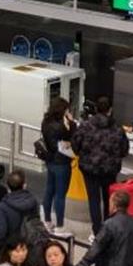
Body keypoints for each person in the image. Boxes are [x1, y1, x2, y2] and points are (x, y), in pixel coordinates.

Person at [70, 96, 129, 237]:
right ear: (110, 110)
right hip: (110, 170)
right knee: (110, 198)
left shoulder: (85, 126)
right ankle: (109, 228)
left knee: (94, 199)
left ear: (96, 109)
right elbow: (124, 150)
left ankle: (97, 231)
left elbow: (75, 145)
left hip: (89, 169)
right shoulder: (117, 129)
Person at [41, 96, 75, 233]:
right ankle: (60, 226)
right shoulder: (62, 126)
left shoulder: (46, 121)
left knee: (49, 190)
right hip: (62, 162)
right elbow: (73, 135)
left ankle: (47, 221)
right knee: (60, 194)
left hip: (50, 160)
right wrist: (71, 123)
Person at [0, 169, 41, 258]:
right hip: (29, 247)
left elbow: (0, 233)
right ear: (24, 185)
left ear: (8, 186)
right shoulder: (34, 201)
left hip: (10, 250)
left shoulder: (3, 206)